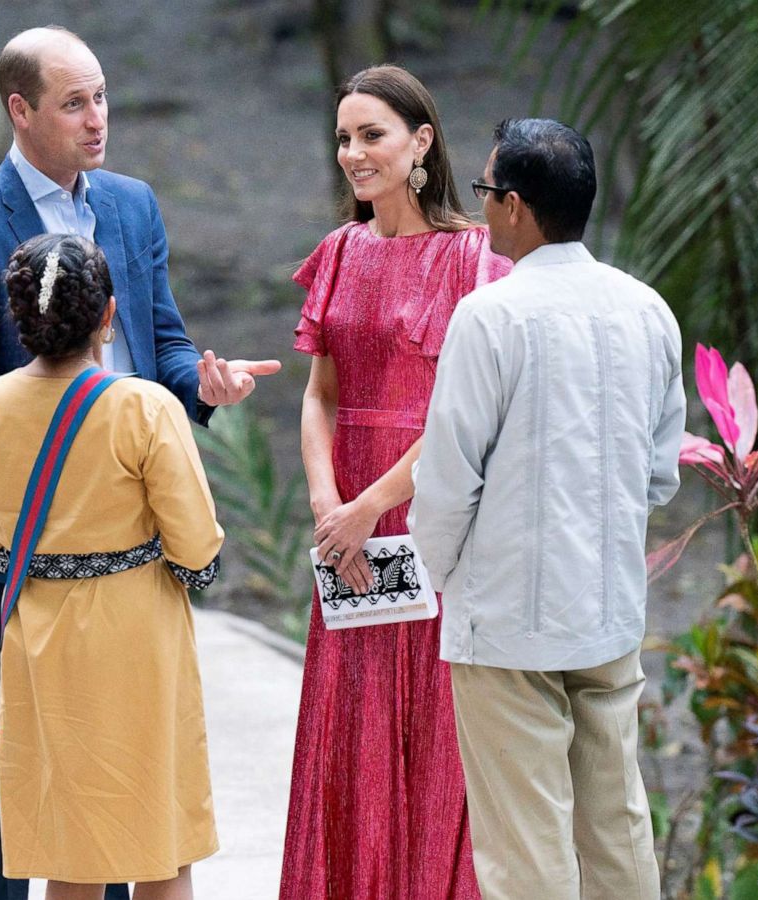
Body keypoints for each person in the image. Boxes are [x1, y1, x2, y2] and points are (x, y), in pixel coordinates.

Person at [0, 26, 277, 900]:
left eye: (102, 96)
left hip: (134, 537)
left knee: (120, 762)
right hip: (26, 544)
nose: (97, 118)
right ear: (20, 109)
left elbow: (166, 345)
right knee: (11, 759)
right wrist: (68, 443)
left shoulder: (132, 205)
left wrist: (204, 386)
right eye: (74, 102)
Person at [408, 118, 686, 900]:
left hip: (506, 624)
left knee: (525, 850)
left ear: (517, 208)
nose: (484, 205)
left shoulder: (492, 315)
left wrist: (447, 577)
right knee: (617, 828)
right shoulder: (647, 309)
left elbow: (447, 477)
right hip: (607, 609)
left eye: (487, 191)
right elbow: (661, 475)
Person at [280, 65, 511, 899]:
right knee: (348, 723)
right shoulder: (340, 251)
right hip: (341, 519)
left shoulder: (472, 257)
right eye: (344, 137)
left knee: (430, 718)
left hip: (426, 511)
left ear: (421, 142)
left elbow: (464, 414)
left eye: (370, 134)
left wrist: (371, 507)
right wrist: (325, 504)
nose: (353, 153)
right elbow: (320, 395)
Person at [0, 233, 224, 900]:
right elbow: (196, 544)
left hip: (41, 650)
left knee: (70, 858)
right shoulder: (145, 408)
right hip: (136, 643)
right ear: (108, 317)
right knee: (160, 853)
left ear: (19, 319)